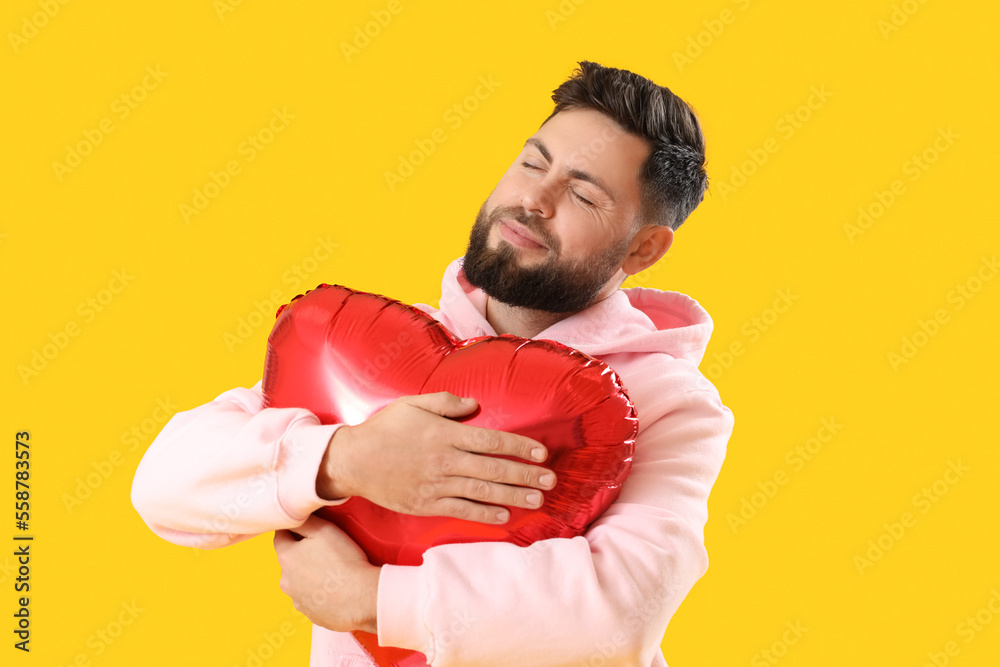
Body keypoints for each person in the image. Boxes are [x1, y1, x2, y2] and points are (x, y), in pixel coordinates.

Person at [131, 60, 734, 666]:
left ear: (643, 247)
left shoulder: (667, 401)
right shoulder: (373, 352)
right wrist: (346, 459)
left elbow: (620, 613)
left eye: (582, 194)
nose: (534, 200)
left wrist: (371, 599)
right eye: (531, 163)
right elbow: (165, 487)